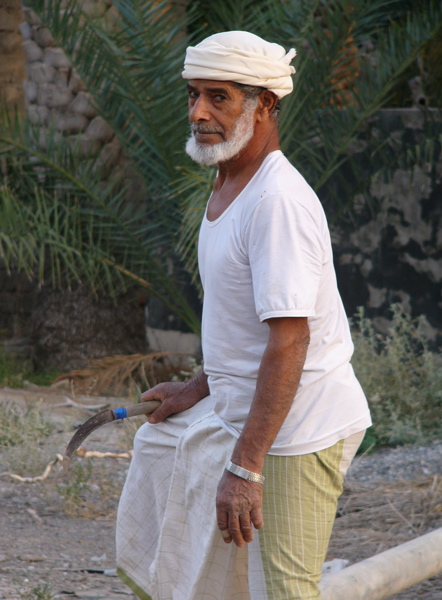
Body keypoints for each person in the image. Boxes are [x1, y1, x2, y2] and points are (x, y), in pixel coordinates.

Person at [116, 31, 371, 600]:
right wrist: (198, 386)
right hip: (254, 417)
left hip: (299, 430)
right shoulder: (229, 181)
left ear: (265, 105)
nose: (198, 113)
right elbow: (244, 327)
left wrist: (246, 468)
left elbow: (289, 342)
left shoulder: (276, 201)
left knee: (285, 592)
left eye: (219, 97)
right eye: (193, 95)